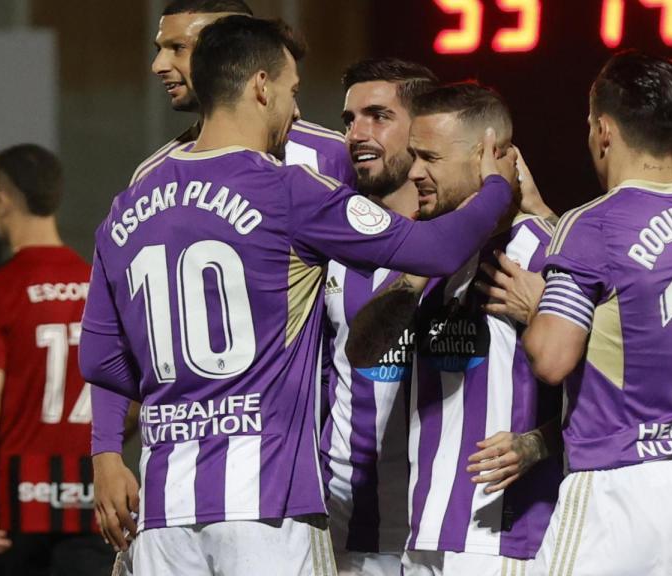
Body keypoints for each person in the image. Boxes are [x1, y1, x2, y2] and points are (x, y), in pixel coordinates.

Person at [79, 16, 518, 576]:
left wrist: (120, 439)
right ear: (261, 87)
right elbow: (435, 250)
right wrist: (497, 186)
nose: (295, 109)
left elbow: (102, 360)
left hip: (165, 510)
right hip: (266, 503)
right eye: (292, 91)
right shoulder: (288, 190)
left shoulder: (126, 208)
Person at [90, 0, 359, 554]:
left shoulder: (332, 157)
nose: (159, 64)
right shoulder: (151, 177)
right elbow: (117, 333)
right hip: (211, 481)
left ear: (229, 47)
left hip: (330, 461)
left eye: (177, 48)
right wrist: (107, 451)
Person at [501, 51, 672, 576]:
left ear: (603, 130)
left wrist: (539, 306)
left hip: (624, 486)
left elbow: (552, 358)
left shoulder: (591, 225)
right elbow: (634, 284)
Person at [345, 82, 562, 576]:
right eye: (413, 156)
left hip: (508, 541)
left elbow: (616, 393)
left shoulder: (545, 253)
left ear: (491, 157)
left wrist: (538, 443)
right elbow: (365, 350)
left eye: (430, 158)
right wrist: (431, 257)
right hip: (423, 533)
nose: (414, 172)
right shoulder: (431, 255)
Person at [325, 57, 437, 576]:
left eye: (378, 116)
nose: (357, 134)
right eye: (350, 120)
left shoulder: (474, 243)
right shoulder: (326, 243)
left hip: (442, 535)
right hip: (338, 530)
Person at [0, 144, 112, 575]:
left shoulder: (1, 291)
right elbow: (130, 395)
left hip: (15, 510)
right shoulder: (98, 285)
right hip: (91, 502)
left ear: (3, 199)